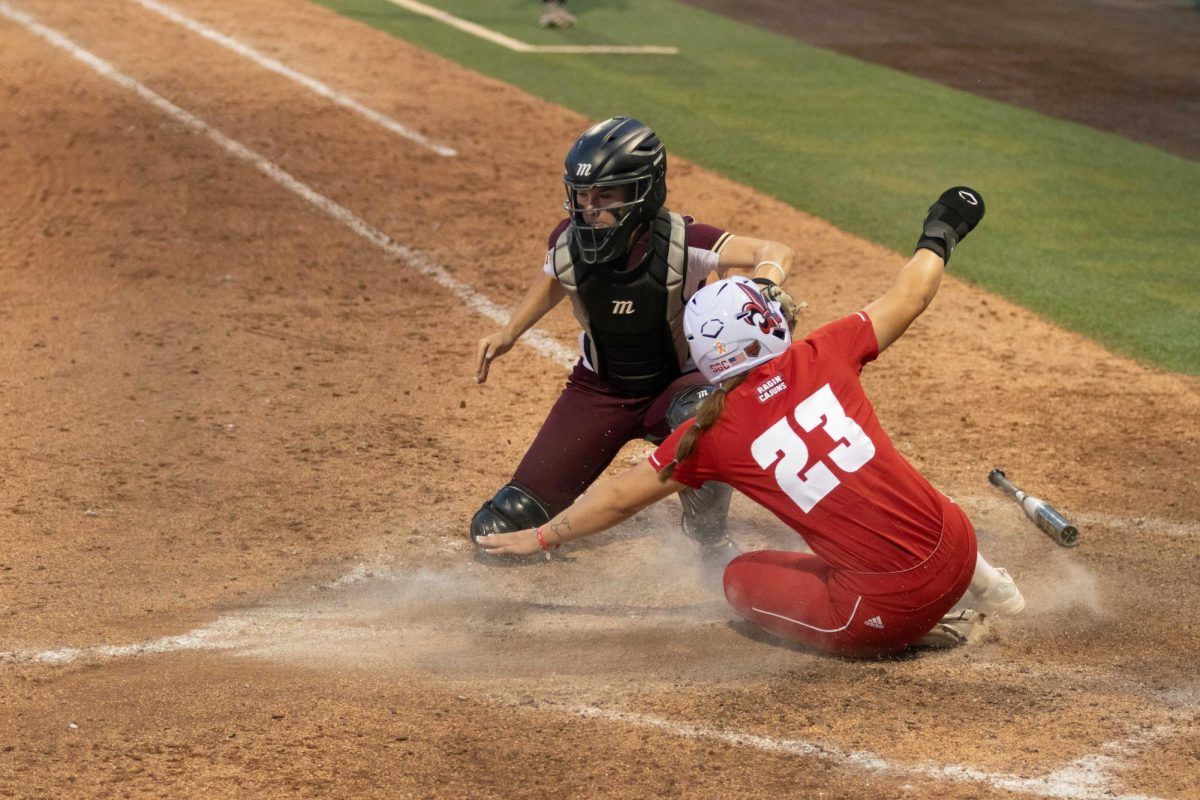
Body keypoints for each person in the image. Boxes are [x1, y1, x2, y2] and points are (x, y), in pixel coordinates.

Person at [478, 187, 1026, 656]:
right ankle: (985, 582)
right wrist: (942, 228)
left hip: (889, 606)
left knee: (740, 580)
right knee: (888, 485)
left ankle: (919, 631)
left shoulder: (712, 433)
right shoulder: (825, 350)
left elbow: (621, 497)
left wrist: (544, 537)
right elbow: (911, 293)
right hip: (958, 544)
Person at [472, 116, 800, 562]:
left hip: (674, 388)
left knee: (705, 415)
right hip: (598, 392)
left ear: (644, 190)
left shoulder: (685, 242)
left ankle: (707, 535)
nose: (590, 208)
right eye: (582, 195)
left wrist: (764, 284)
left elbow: (774, 251)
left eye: (606, 194)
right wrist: (510, 331)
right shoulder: (569, 241)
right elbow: (554, 277)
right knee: (504, 520)